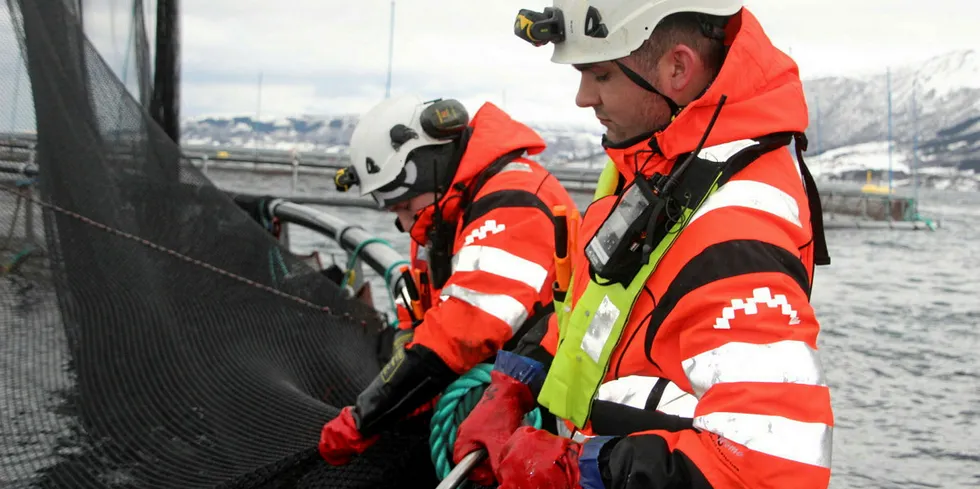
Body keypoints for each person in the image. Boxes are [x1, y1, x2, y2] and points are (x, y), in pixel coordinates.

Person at [451, 1, 834, 488]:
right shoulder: (655, 160)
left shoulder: (737, 235)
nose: (582, 97)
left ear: (678, 67)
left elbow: (772, 469)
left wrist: (581, 469)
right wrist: (512, 385)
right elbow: (599, 306)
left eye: (601, 75)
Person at [318, 94, 578, 465]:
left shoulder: (514, 203)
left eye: (405, 207)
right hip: (476, 400)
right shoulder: (441, 217)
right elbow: (420, 312)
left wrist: (364, 418)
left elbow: (465, 327)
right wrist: (401, 366)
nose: (406, 224)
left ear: (429, 167)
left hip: (536, 410)